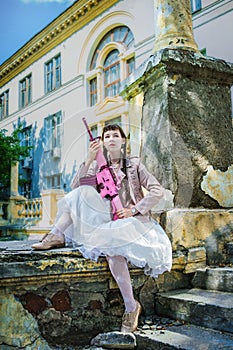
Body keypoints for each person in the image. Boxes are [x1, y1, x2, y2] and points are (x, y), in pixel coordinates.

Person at [32, 123, 172, 333]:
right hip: (108, 221)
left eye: (116, 135)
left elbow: (157, 190)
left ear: (123, 141)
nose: (112, 139)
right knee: (80, 195)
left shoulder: (133, 164)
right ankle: (56, 235)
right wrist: (89, 159)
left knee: (112, 250)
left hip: (134, 223)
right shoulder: (98, 165)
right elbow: (74, 189)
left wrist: (134, 209)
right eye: (107, 136)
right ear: (103, 142)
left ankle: (131, 307)